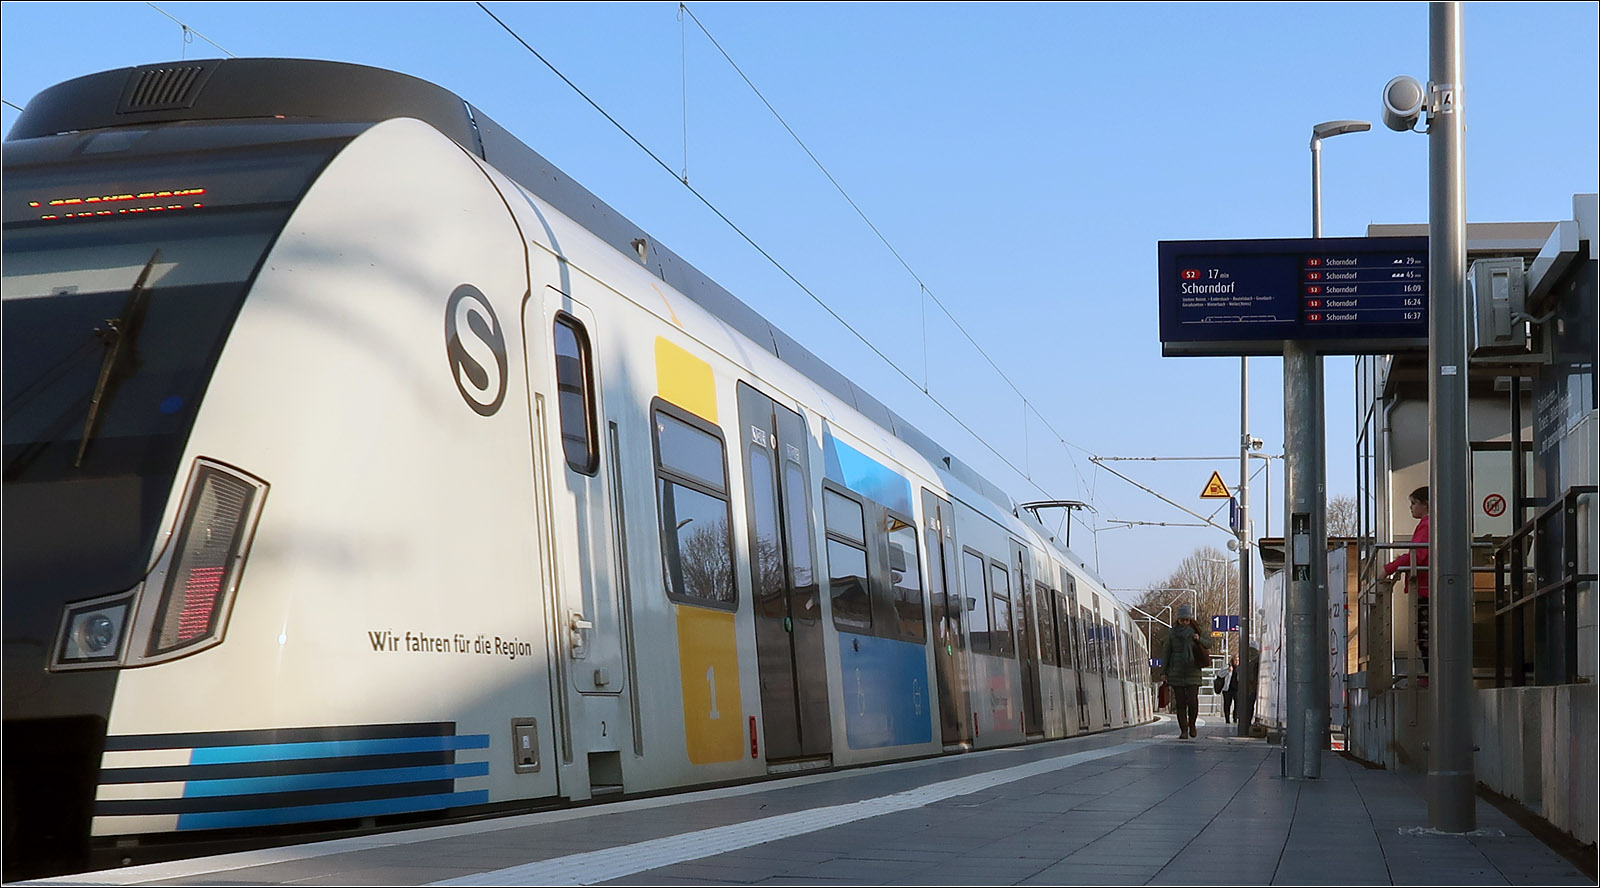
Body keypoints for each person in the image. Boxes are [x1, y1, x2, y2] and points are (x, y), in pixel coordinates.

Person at [1383, 486, 1430, 680]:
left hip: (1426, 589)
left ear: (1425, 504)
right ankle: (1430, 675)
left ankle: (1430, 676)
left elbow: (1417, 554)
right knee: (1424, 635)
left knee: (1424, 635)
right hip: (1427, 587)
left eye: (1413, 503)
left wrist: (1389, 567)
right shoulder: (1431, 524)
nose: (1411, 508)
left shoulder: (1427, 525)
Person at [1160, 603, 1210, 739]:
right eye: (1182, 620)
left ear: (1190, 619)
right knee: (1180, 703)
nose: (1185, 623)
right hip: (1176, 672)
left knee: (1193, 701)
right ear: (1178, 619)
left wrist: (1199, 639)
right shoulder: (1172, 633)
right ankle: (1183, 730)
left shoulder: (1197, 630)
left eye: (1187, 620)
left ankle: (1192, 724)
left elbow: (1209, 643)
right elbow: (1166, 653)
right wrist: (1163, 672)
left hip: (1193, 671)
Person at [1216, 654, 1238, 723]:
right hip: (1227, 689)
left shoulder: (1241, 668)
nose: (1237, 662)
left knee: (1238, 704)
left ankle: (1235, 718)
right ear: (1232, 660)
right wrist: (1228, 671)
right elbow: (1219, 674)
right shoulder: (1227, 666)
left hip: (1237, 689)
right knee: (1227, 704)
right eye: (1236, 660)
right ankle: (1227, 719)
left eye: (1238, 660)